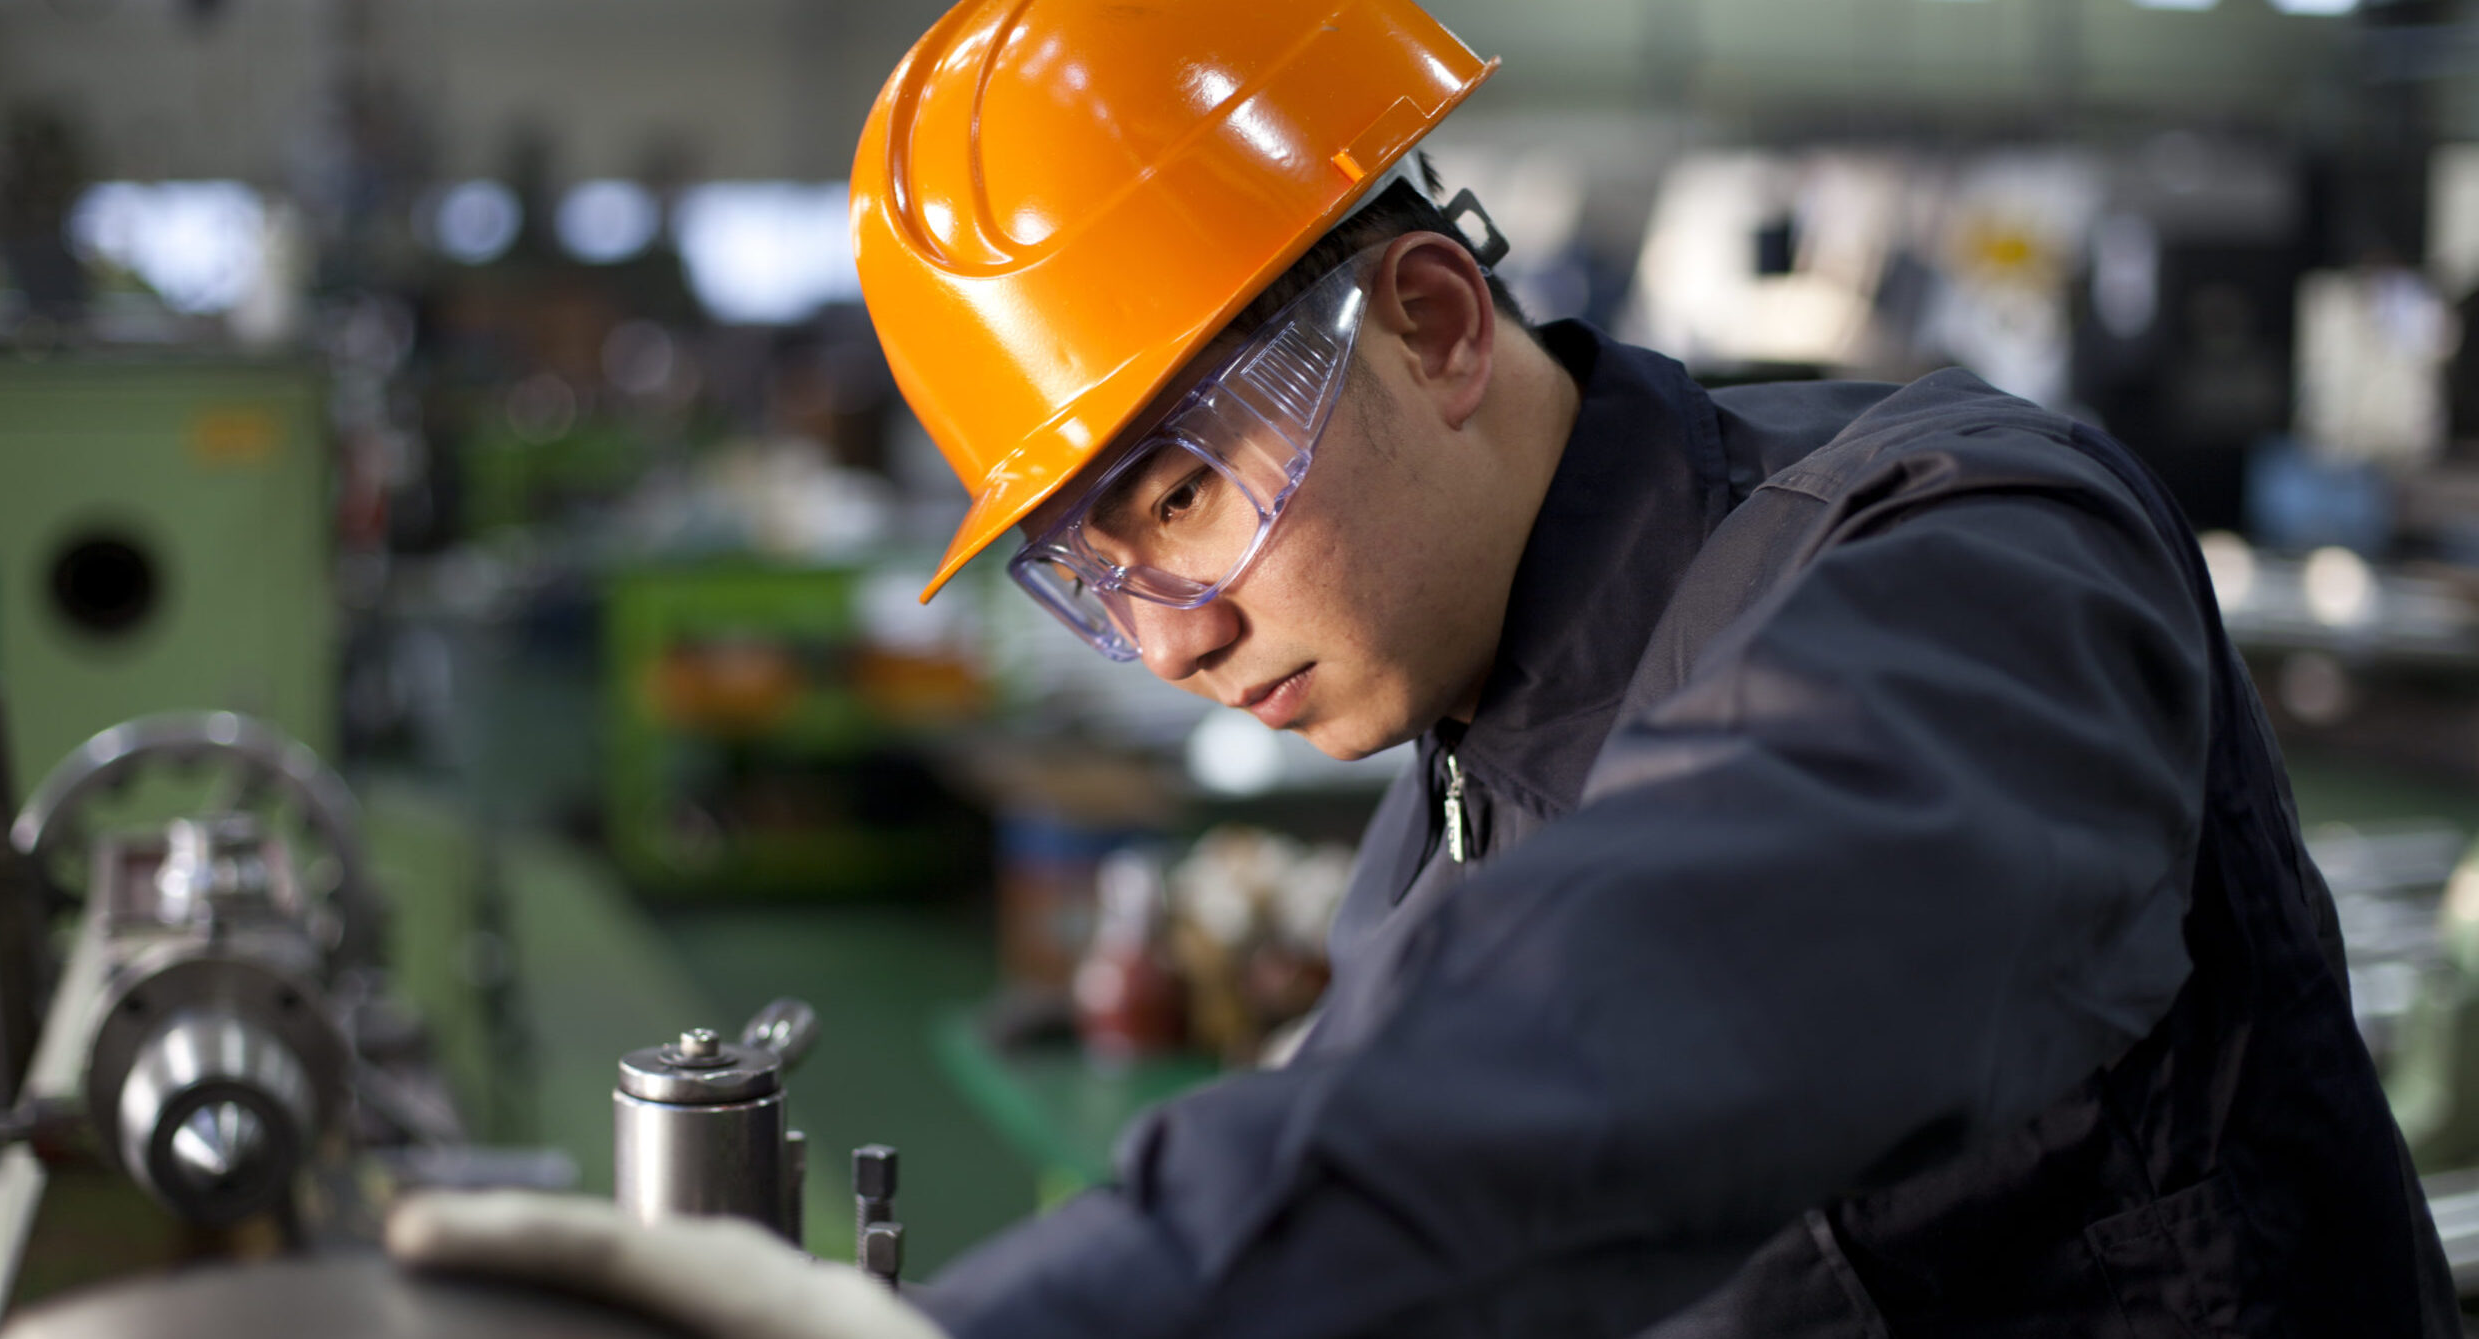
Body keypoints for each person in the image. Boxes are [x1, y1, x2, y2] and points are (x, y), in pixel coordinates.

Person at [389, 1, 2459, 1334]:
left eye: (1185, 498)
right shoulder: (1429, 834)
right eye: (1088, 574)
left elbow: (1639, 1001)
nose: (1171, 632)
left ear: (1438, 324)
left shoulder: (1964, 555)